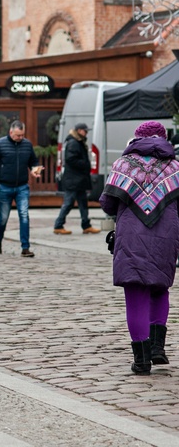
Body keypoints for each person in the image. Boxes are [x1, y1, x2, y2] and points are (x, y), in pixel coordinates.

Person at [100, 121, 179, 375]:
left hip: (132, 237)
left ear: (136, 139)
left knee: (135, 293)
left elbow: (108, 204)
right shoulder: (174, 165)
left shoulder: (124, 164)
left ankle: (142, 360)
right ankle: (157, 348)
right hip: (166, 236)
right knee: (159, 287)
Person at [0, 120, 42, 258]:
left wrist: (35, 170)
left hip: (22, 186)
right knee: (3, 217)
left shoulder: (27, 145)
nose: (20, 138)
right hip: (4, 186)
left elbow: (33, 161)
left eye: (22, 135)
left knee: (24, 215)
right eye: (17, 135)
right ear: (11, 132)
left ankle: (25, 248)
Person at [54, 123, 101, 235]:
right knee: (68, 202)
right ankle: (58, 225)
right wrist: (85, 164)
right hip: (74, 179)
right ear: (79, 131)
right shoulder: (74, 143)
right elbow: (71, 159)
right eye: (85, 131)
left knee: (83, 203)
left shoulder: (77, 142)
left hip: (79, 180)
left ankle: (86, 225)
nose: (87, 133)